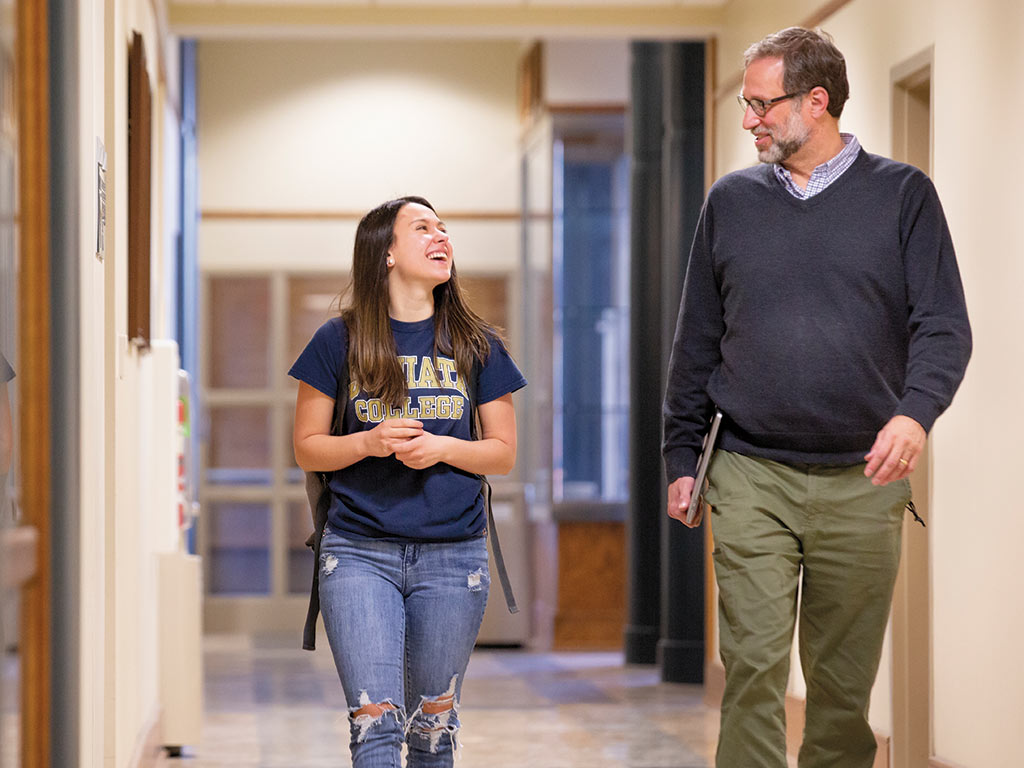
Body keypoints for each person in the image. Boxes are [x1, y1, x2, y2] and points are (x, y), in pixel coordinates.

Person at [662, 27, 971, 768]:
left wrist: (914, 412)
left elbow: (944, 327)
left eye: (763, 105)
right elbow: (696, 341)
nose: (749, 121)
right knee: (755, 671)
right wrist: (680, 454)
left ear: (817, 101)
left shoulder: (903, 197)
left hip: (864, 479)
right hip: (749, 472)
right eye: (746, 104)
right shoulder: (730, 202)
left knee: (840, 690)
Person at [289, 196, 526, 768]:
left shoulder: (477, 344)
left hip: (454, 555)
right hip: (358, 551)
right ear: (387, 253)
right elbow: (307, 446)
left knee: (432, 731)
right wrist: (371, 442)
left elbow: (503, 454)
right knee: (375, 727)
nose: (440, 236)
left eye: (443, 227)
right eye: (422, 228)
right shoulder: (337, 340)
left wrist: (441, 447)